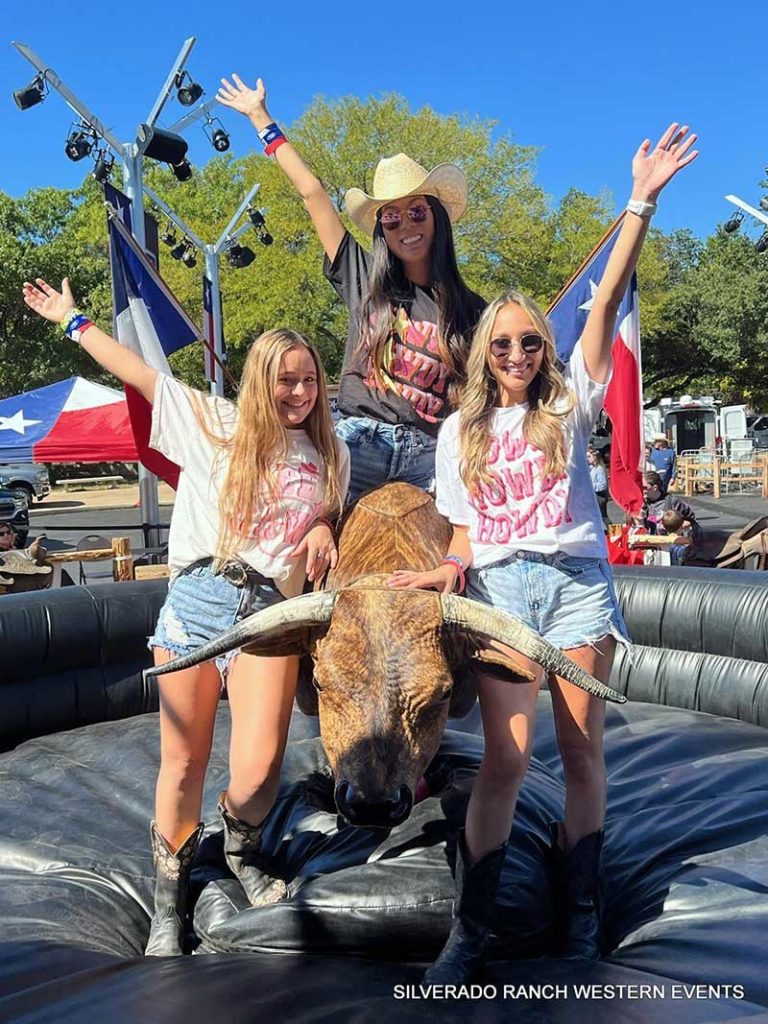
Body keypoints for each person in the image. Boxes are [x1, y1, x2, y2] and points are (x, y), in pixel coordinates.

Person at [389, 123, 698, 980]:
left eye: (531, 342)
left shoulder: (568, 410)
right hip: (500, 594)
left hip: (573, 590)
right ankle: (477, 926)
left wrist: (640, 201)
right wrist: (450, 569)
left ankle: (585, 908)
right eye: (504, 343)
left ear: (544, 352)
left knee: (582, 752)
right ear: (485, 352)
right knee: (506, 759)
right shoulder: (459, 431)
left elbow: (603, 303)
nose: (519, 353)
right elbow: (461, 530)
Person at [22, 276, 350, 956]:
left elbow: (326, 508)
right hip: (199, 604)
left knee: (259, 770)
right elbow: (138, 372)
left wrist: (323, 522)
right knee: (182, 763)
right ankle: (170, 901)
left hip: (271, 614)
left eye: (309, 380)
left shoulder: (330, 452)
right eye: (285, 381)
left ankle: (242, 848)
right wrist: (72, 320)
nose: (298, 393)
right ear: (261, 381)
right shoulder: (214, 422)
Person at [217, 75, 487, 502]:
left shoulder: (474, 310)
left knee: (474, 534)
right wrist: (260, 117)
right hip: (359, 442)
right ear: (381, 228)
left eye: (416, 211)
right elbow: (313, 194)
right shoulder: (365, 279)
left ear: (437, 216)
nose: (406, 226)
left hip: (431, 456)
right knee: (291, 512)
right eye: (390, 218)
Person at [587, 447, 609, 528]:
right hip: (593, 496)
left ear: (595, 457)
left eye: (589, 456)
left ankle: (608, 529)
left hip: (599, 497)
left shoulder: (599, 469)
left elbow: (603, 485)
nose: (587, 458)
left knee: (602, 516)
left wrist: (590, 486)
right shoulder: (591, 468)